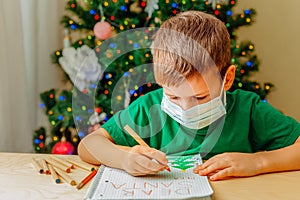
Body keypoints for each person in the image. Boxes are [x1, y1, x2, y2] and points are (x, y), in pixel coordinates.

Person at [78, 11, 300, 181]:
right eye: (173, 97)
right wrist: (124, 159)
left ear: (228, 78)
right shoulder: (148, 108)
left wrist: (258, 162)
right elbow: (88, 145)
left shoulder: (247, 109)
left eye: (200, 97)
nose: (185, 108)